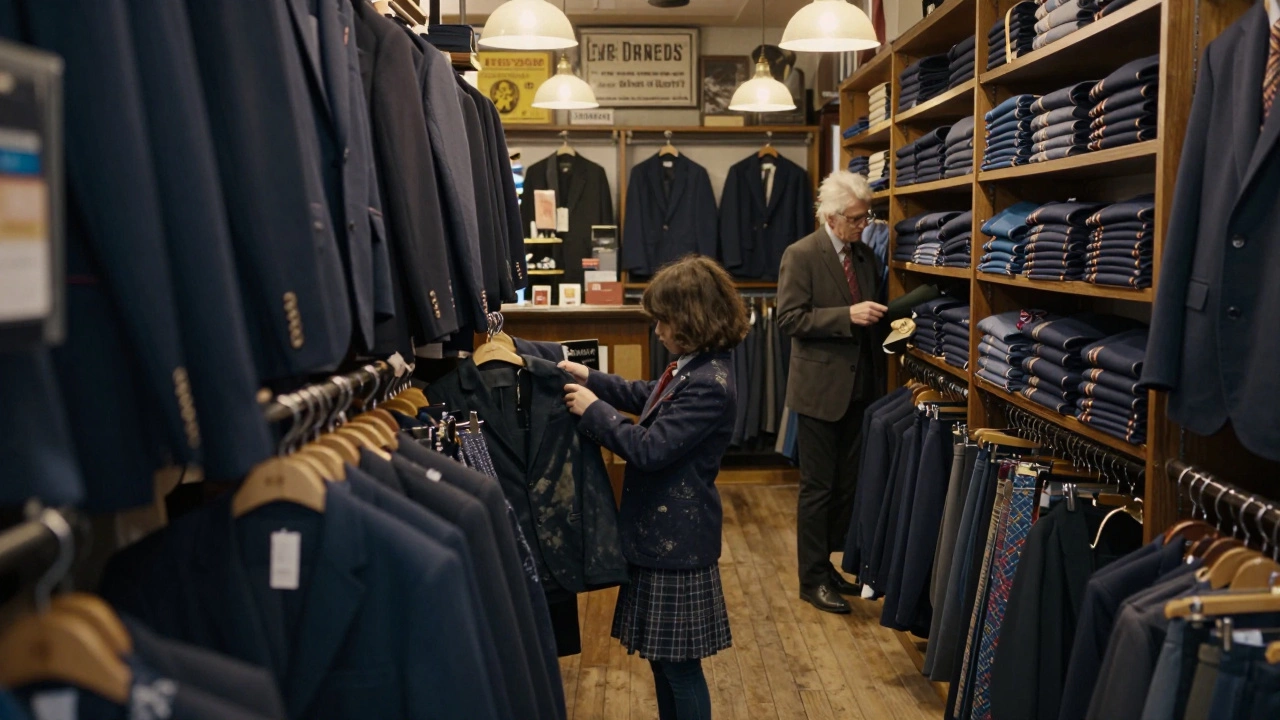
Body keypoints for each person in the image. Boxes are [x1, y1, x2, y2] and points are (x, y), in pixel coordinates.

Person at [560, 255, 749, 720]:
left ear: (691, 320)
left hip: (677, 545)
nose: (658, 330)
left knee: (679, 668)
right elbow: (649, 395)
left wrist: (594, 411)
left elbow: (649, 448)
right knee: (664, 664)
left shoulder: (711, 383)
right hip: (661, 538)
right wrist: (593, 379)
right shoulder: (695, 365)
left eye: (664, 322)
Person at [777, 171, 888, 614]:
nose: (864, 226)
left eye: (867, 218)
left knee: (845, 487)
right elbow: (789, 320)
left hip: (860, 387)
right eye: (857, 219)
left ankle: (828, 568)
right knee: (818, 488)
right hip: (820, 390)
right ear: (831, 216)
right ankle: (811, 579)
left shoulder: (864, 258)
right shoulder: (801, 254)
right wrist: (846, 315)